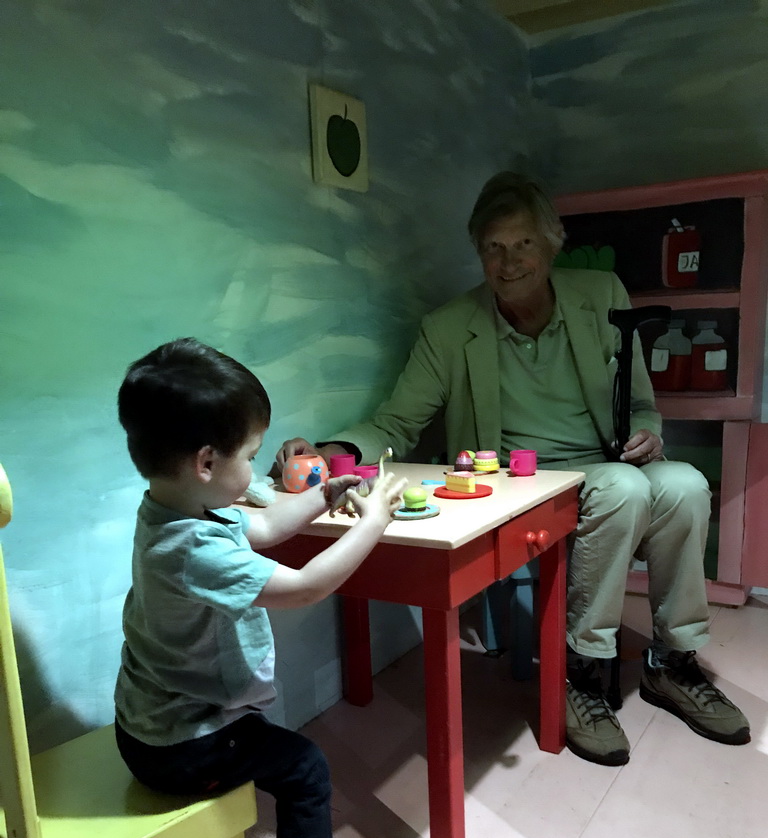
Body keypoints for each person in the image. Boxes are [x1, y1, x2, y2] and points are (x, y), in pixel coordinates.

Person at [276, 171, 750, 768]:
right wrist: (326, 446)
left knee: (684, 484)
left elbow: (642, 402)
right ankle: (581, 669)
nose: (509, 261)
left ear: (552, 243)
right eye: (493, 247)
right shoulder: (449, 329)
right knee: (626, 489)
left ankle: (673, 662)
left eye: (523, 243)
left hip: (604, 461)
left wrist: (650, 430)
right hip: (522, 479)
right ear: (479, 253)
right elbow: (396, 423)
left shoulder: (602, 294)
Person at [115, 338, 406, 838]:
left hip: (150, 725)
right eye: (249, 456)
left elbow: (269, 526)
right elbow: (304, 589)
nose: (254, 471)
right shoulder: (193, 547)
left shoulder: (177, 509)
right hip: (181, 744)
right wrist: (374, 524)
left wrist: (330, 493)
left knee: (258, 740)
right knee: (305, 770)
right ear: (204, 461)